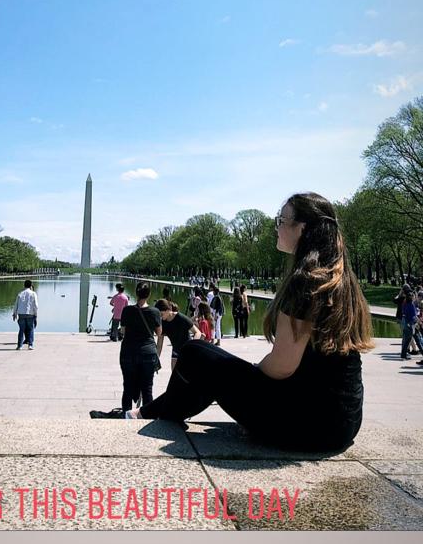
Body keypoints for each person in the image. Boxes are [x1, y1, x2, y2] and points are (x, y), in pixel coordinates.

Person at [113, 193, 374, 452]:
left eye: (281, 220)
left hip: (308, 424)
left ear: (302, 229)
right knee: (212, 365)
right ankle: (144, 413)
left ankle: (144, 414)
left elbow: (283, 366)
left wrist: (246, 375)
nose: (276, 227)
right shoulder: (342, 281)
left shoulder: (306, 280)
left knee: (194, 353)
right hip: (342, 422)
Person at [90, 281, 161, 418]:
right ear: (149, 295)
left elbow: (123, 331)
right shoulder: (155, 312)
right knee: (147, 389)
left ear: (136, 293)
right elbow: (159, 333)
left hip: (129, 352)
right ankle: (147, 418)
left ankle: (126, 416)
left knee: (127, 387)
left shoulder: (127, 310)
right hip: (148, 353)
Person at [155, 299, 201, 370]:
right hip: (175, 350)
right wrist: (156, 359)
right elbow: (159, 344)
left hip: (187, 351)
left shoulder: (181, 318)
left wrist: (191, 346)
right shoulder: (162, 323)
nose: (160, 317)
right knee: (174, 374)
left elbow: (197, 332)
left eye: (161, 314)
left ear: (168, 310)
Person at [13, 279, 39, 350]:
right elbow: (36, 305)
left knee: (21, 330)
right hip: (30, 314)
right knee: (30, 329)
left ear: (24, 285)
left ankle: (19, 346)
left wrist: (14, 313)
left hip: (21, 314)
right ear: (31, 286)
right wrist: (36, 314)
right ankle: (30, 345)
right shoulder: (33, 293)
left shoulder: (20, 293)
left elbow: (16, 304)